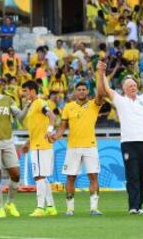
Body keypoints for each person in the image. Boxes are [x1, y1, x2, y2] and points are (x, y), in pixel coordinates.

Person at [97, 61, 143, 214]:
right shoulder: (121, 101)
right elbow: (107, 89)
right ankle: (133, 206)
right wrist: (102, 73)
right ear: (124, 89)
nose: (133, 87)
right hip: (128, 144)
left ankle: (140, 206)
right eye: (130, 85)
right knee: (132, 176)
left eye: (134, 85)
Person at [49, 80, 105, 216]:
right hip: (73, 147)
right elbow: (62, 126)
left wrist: (101, 75)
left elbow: (101, 94)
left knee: (93, 176)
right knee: (70, 177)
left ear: (88, 91)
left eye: (84, 89)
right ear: (75, 92)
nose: (81, 91)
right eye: (79, 89)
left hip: (90, 146)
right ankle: (70, 209)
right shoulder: (68, 107)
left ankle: (94, 208)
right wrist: (56, 136)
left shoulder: (94, 104)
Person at [0, 76, 31, 218]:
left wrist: (27, 105)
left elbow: (20, 117)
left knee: (16, 173)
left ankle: (10, 203)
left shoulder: (8, 100)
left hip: (8, 141)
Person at [21, 80, 58, 217]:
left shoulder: (40, 103)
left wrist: (50, 130)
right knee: (43, 177)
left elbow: (52, 117)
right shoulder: (32, 106)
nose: (23, 94)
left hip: (40, 146)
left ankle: (40, 208)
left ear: (31, 90)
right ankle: (51, 207)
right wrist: (27, 142)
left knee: (38, 176)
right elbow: (36, 129)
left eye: (25, 91)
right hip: (37, 144)